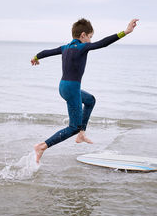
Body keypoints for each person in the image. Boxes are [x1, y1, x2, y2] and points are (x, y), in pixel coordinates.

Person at [31, 18, 139, 163]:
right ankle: (42, 146)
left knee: (90, 100)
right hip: (72, 89)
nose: (90, 41)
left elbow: (46, 52)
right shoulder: (82, 47)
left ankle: (81, 134)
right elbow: (103, 43)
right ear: (83, 35)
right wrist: (125, 32)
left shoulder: (65, 48)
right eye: (90, 37)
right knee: (73, 127)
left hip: (63, 86)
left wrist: (36, 57)